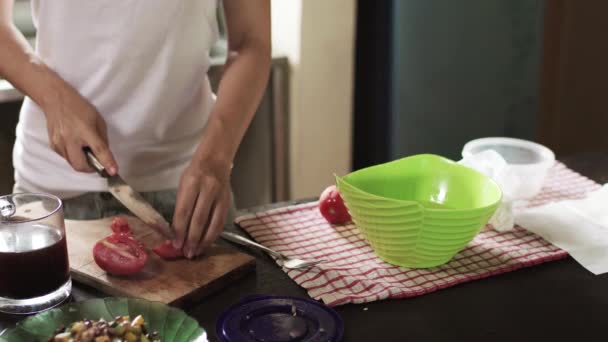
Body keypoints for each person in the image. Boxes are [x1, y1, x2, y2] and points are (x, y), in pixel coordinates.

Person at [0, 0, 271, 258]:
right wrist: (55, 98)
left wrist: (216, 158)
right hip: (54, 195)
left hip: (190, 193)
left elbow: (251, 42)